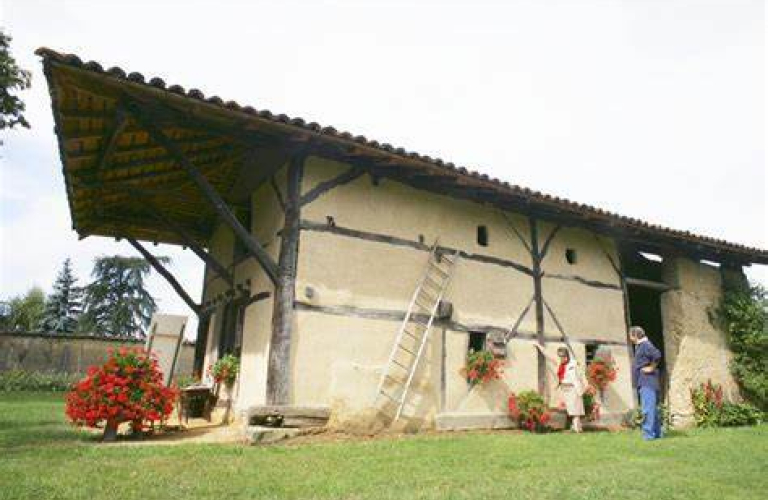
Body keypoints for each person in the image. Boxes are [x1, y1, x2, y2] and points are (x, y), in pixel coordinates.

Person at [535, 343, 585, 432]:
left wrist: (586, 385)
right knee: (571, 408)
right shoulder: (559, 363)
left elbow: (581, 375)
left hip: (573, 388)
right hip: (564, 388)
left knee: (575, 408)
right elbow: (549, 355)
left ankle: (577, 427)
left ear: (567, 355)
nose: (561, 358)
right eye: (560, 356)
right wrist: (539, 346)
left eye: (563, 356)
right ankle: (577, 426)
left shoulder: (574, 364)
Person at [629, 326, 663, 440]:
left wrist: (651, 368)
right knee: (652, 408)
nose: (630, 337)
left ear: (635, 335)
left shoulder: (645, 345)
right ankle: (657, 433)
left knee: (647, 409)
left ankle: (648, 435)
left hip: (647, 381)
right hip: (645, 381)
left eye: (631, 335)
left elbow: (657, 355)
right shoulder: (640, 346)